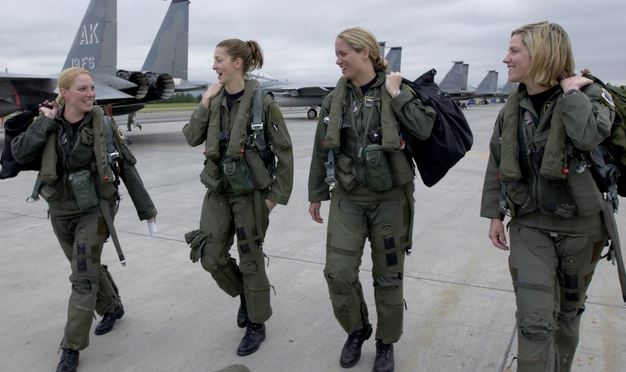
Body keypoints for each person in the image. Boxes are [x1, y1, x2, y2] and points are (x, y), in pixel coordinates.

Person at [480, 22, 617, 371]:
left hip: (582, 230)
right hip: (530, 226)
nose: (505, 58)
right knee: (534, 320)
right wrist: (495, 213)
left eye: (514, 51)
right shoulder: (512, 108)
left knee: (567, 317)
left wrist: (572, 96)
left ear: (540, 53)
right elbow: (498, 161)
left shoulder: (590, 97)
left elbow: (587, 136)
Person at [11, 67, 157, 372]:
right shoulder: (47, 122)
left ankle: (71, 347)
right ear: (64, 94)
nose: (91, 94)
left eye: (92, 88)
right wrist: (43, 125)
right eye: (83, 89)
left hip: (96, 209)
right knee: (84, 267)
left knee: (81, 277)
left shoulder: (103, 125)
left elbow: (126, 166)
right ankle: (112, 307)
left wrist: (147, 210)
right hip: (60, 210)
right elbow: (20, 153)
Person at [308, 27, 436, 372]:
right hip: (348, 198)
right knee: (337, 273)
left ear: (365, 52)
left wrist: (398, 96)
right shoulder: (333, 100)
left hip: (391, 200)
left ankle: (386, 342)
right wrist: (317, 193)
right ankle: (357, 328)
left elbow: (424, 129)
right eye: (336, 54)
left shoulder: (399, 90)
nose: (338, 60)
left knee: (389, 277)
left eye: (342, 53)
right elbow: (322, 149)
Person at [182, 39, 293, 356]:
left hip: (251, 195)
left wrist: (275, 197)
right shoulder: (215, 101)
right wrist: (204, 101)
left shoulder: (264, 104)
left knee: (250, 258)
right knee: (210, 255)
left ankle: (257, 324)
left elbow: (284, 153)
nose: (214, 65)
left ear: (237, 63)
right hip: (218, 190)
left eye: (218, 59)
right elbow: (191, 137)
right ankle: (246, 295)